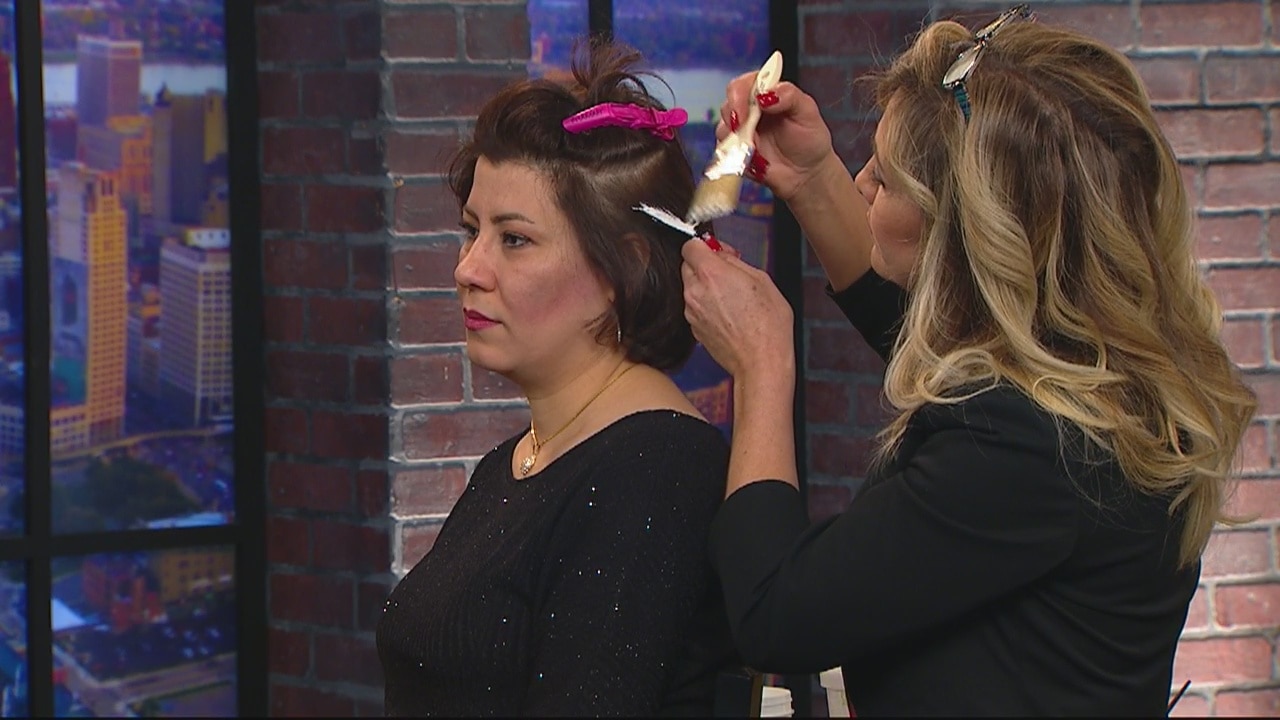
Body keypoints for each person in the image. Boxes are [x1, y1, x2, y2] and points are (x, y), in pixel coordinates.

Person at [680, 6, 1258, 716]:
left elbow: (777, 613)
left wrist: (762, 365)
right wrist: (810, 176)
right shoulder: (1093, 373)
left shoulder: (1025, 444)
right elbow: (919, 335)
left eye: (886, 180)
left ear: (968, 231)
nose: (861, 185)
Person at [375, 39, 740, 716]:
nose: (468, 268)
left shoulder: (658, 468)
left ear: (622, 268)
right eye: (472, 230)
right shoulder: (512, 463)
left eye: (514, 240)